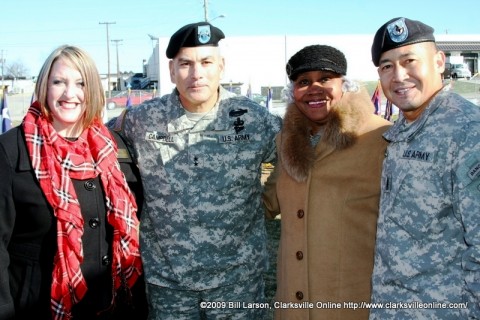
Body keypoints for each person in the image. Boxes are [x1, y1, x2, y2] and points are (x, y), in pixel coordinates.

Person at [110, 22, 281, 319]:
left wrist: (270, 201)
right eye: (185, 64)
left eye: (206, 62)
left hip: (236, 282)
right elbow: (92, 145)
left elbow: (303, 155)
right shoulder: (141, 120)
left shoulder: (254, 119)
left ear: (221, 66)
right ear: (172, 70)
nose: (196, 73)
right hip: (169, 284)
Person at [0, 45, 147, 319]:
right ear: (44, 86)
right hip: (38, 309)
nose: (70, 94)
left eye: (80, 83)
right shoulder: (11, 151)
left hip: (114, 307)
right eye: (59, 82)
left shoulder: (115, 147)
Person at [262, 44, 391, 319]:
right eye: (303, 82)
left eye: (325, 79)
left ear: (344, 84)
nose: (314, 88)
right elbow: (267, 202)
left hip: (350, 303)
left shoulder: (381, 137)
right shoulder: (286, 141)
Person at [369, 17, 480, 319]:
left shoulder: (468, 133)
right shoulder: (402, 130)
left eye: (409, 61)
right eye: (387, 66)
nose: (399, 75)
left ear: (439, 62)